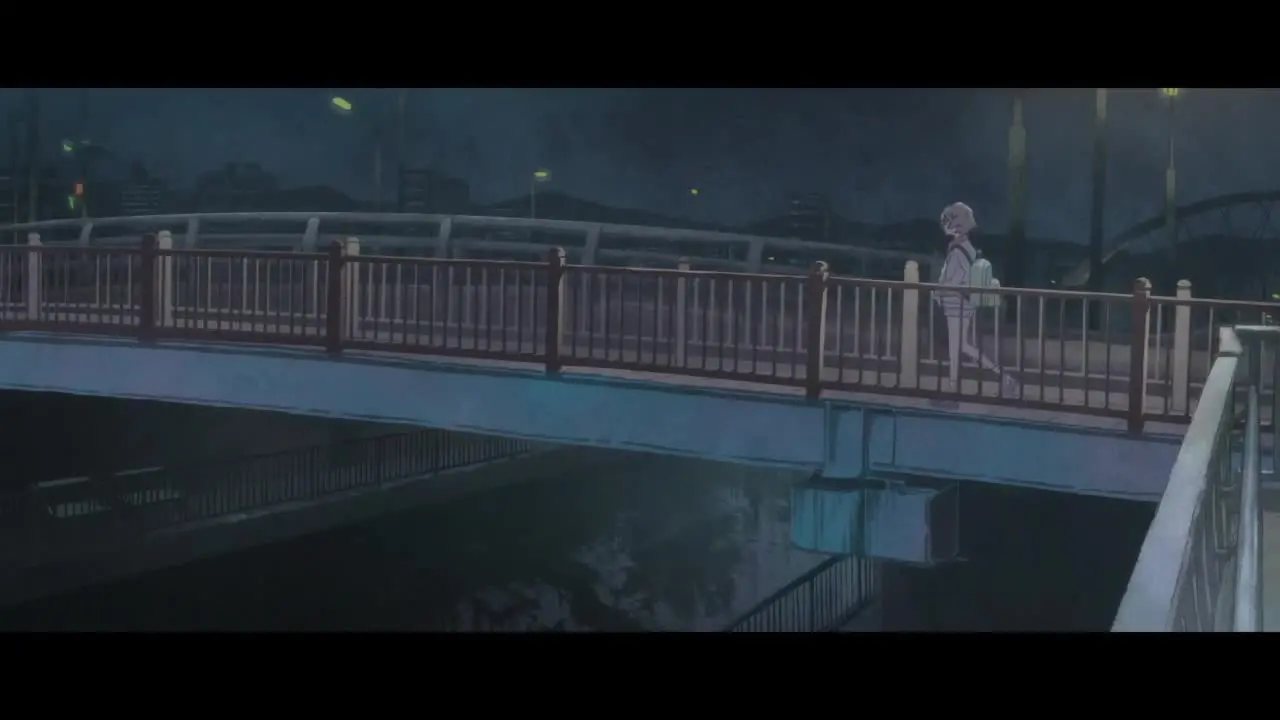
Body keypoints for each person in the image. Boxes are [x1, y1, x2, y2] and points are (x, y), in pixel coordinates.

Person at [935, 202, 1018, 398]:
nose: (945, 226)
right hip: (964, 303)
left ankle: (954, 385)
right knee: (962, 345)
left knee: (957, 345)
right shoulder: (968, 247)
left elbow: (953, 280)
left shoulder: (957, 251)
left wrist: (938, 292)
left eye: (948, 222)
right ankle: (1002, 376)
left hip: (955, 303)